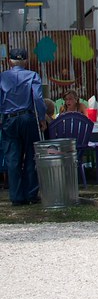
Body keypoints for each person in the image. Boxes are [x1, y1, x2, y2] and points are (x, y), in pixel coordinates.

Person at [1, 47, 46, 205]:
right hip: (27, 118)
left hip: (9, 119)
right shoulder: (33, 75)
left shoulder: (2, 77)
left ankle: (16, 197)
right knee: (30, 156)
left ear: (9, 61)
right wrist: (41, 118)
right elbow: (38, 99)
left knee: (12, 159)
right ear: (26, 61)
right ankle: (31, 194)